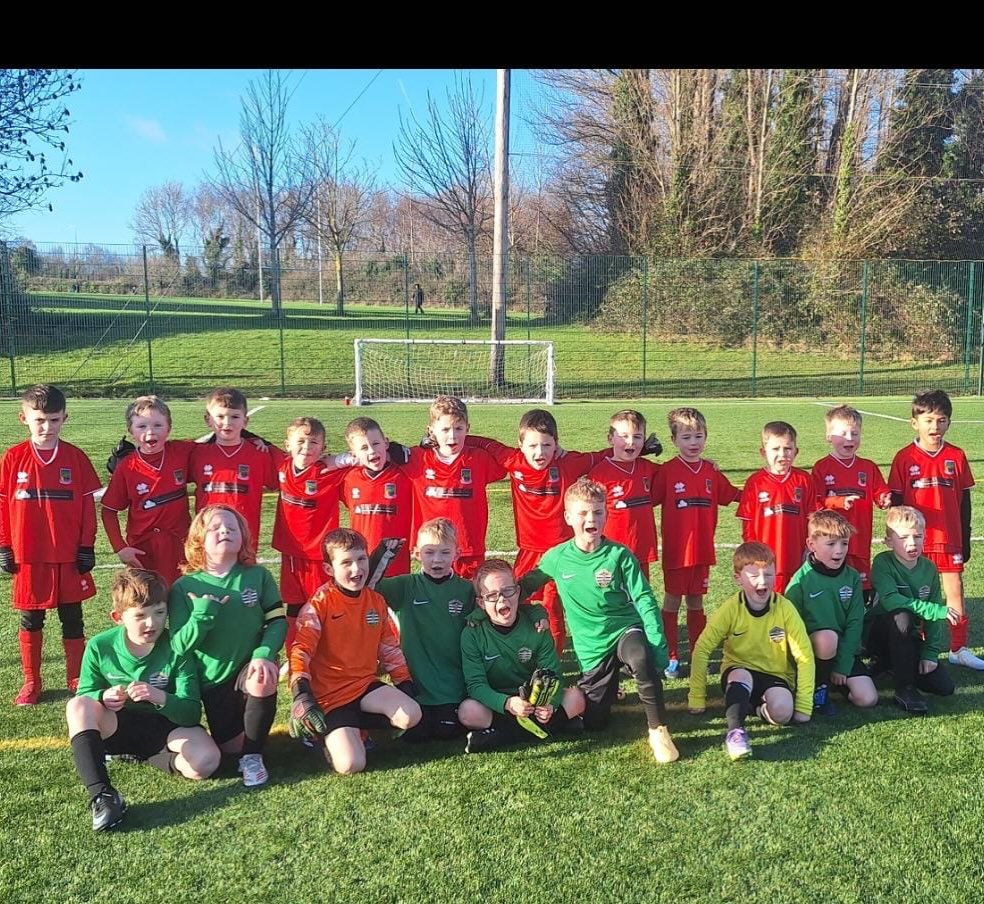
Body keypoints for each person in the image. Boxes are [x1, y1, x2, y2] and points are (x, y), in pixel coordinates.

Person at [521, 478, 679, 764]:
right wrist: (521, 607)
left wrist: (657, 645)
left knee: (641, 657)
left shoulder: (619, 556)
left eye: (597, 512)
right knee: (596, 723)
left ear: (606, 515)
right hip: (591, 646)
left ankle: (658, 730)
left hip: (623, 630)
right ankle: (604, 690)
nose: (590, 519)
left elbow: (644, 598)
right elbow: (525, 587)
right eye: (582, 513)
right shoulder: (557, 558)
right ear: (569, 517)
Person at [66, 568, 219, 831]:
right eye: (140, 616)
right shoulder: (100, 646)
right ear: (118, 617)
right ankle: (102, 795)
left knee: (206, 762)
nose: (152, 624)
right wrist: (103, 696)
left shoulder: (176, 648)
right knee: (77, 706)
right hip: (118, 725)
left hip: (163, 729)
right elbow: (85, 694)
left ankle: (150, 758)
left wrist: (160, 697)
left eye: (159, 613)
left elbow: (192, 713)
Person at [169, 505, 285, 787]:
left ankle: (253, 758)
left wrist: (263, 654)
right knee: (229, 749)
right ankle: (241, 746)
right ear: (199, 540)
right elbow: (180, 646)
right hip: (211, 682)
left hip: (247, 669)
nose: (225, 532)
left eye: (232, 529)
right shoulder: (184, 587)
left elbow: (278, 622)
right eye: (216, 528)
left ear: (243, 538)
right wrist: (203, 614)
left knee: (261, 676)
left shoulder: (258, 577)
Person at [288, 528, 421, 775]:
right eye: (346, 563)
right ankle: (322, 733)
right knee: (351, 765)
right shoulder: (319, 604)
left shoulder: (375, 601)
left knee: (411, 715)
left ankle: (356, 730)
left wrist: (404, 683)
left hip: (363, 686)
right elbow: (301, 650)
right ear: (329, 569)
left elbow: (389, 648)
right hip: (330, 698)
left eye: (361, 559)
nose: (357, 569)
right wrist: (301, 693)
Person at [0, 384, 100, 705]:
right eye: (40, 420)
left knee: (73, 618)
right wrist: (4, 545)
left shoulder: (76, 458)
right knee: (31, 619)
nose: (47, 427)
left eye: (54, 420)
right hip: (29, 556)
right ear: (24, 418)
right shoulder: (13, 458)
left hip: (69, 556)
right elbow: (2, 506)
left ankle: (76, 678)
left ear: (64, 418)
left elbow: (87, 507)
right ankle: (32, 682)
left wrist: (86, 546)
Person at [688, 542, 814, 761]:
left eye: (768, 574)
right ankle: (735, 733)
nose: (762, 581)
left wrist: (803, 705)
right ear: (738, 578)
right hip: (740, 670)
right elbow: (702, 648)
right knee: (740, 674)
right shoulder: (730, 609)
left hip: (775, 674)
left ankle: (754, 707)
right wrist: (697, 697)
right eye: (754, 575)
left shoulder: (785, 608)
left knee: (783, 713)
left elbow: (804, 656)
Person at [888, 389, 982, 669]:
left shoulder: (956, 455)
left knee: (955, 590)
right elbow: (895, 502)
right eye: (928, 420)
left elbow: (965, 501)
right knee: (920, 594)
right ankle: (920, 646)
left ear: (949, 423)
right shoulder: (904, 457)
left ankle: (958, 648)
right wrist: (898, 539)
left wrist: (964, 538)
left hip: (949, 537)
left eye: (941, 420)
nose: (935, 427)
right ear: (914, 422)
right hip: (915, 540)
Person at [650, 407, 741, 677]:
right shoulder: (667, 472)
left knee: (696, 602)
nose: (693, 443)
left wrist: (766, 491)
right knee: (671, 601)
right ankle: (671, 655)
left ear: (706, 437)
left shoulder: (711, 472)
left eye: (698, 436)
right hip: (677, 553)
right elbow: (648, 497)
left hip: (703, 551)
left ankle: (698, 652)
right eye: (686, 437)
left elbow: (734, 495)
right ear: (674, 441)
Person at [459, 558, 585, 753]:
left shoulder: (537, 627)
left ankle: (499, 737)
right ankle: (555, 726)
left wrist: (550, 704)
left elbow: (554, 674)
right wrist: (507, 703)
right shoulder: (472, 634)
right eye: (492, 595)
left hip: (534, 702)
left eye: (508, 591)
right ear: (481, 603)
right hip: (498, 703)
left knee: (576, 697)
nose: (502, 600)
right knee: (468, 712)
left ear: (518, 592)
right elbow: (476, 686)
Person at [375, 518, 475, 741]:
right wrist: (382, 556)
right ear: (416, 553)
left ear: (456, 553)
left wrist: (537, 615)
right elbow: (368, 586)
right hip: (415, 685)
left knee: (446, 731)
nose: (437, 560)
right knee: (416, 736)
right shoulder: (405, 586)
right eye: (429, 552)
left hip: (453, 686)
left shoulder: (466, 590)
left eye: (444, 552)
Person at [401, 396, 506, 580]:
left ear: (468, 429)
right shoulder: (416, 459)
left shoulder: (478, 459)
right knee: (433, 596)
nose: (452, 436)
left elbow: (509, 459)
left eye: (459, 429)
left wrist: (472, 440)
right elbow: (379, 453)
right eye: (445, 429)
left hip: (469, 547)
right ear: (431, 431)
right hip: (433, 549)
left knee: (468, 599)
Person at [784, 510, 877, 715]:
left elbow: (855, 623)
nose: (839, 550)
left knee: (867, 698)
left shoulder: (852, 577)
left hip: (841, 649)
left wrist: (842, 666)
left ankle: (833, 680)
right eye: (831, 544)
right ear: (811, 545)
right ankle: (818, 688)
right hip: (812, 653)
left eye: (844, 543)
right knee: (827, 638)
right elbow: (790, 630)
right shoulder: (800, 582)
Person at [867, 506, 959, 714]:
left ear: (925, 536)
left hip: (908, 636)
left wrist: (930, 654)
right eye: (903, 537)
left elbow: (935, 616)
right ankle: (904, 688)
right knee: (902, 616)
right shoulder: (882, 562)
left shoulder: (929, 568)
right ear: (889, 541)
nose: (912, 543)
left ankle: (889, 664)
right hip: (877, 633)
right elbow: (891, 601)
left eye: (917, 536)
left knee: (943, 687)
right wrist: (935, 610)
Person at [100, 395, 195, 586]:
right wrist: (120, 547)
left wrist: (255, 440)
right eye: (142, 426)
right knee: (148, 606)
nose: (150, 432)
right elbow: (109, 510)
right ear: (131, 431)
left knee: (182, 605)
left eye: (158, 425)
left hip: (181, 546)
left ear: (169, 427)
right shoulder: (127, 468)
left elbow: (219, 442)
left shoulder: (182, 452)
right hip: (143, 551)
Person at [810, 404, 891, 601]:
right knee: (834, 588)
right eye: (843, 433)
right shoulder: (822, 468)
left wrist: (884, 498)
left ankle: (861, 625)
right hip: (832, 540)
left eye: (854, 433)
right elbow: (815, 502)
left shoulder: (868, 467)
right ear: (829, 436)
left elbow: (880, 490)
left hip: (860, 540)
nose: (850, 438)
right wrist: (838, 502)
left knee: (861, 590)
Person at [736, 420, 815, 594]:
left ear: (796, 451)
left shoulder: (804, 480)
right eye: (775, 449)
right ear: (763, 452)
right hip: (765, 560)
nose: (782, 454)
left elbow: (812, 517)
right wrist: (753, 551)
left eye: (788, 448)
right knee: (768, 602)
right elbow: (747, 521)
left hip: (796, 557)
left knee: (795, 602)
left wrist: (809, 548)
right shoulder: (755, 482)